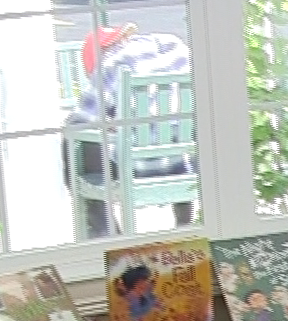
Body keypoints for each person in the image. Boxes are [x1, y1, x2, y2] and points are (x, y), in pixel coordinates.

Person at [66, 23, 196, 238]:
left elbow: (84, 119)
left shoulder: (111, 63)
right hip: (187, 163)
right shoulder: (178, 47)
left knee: (74, 142)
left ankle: (107, 234)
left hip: (136, 169)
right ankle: (184, 226)